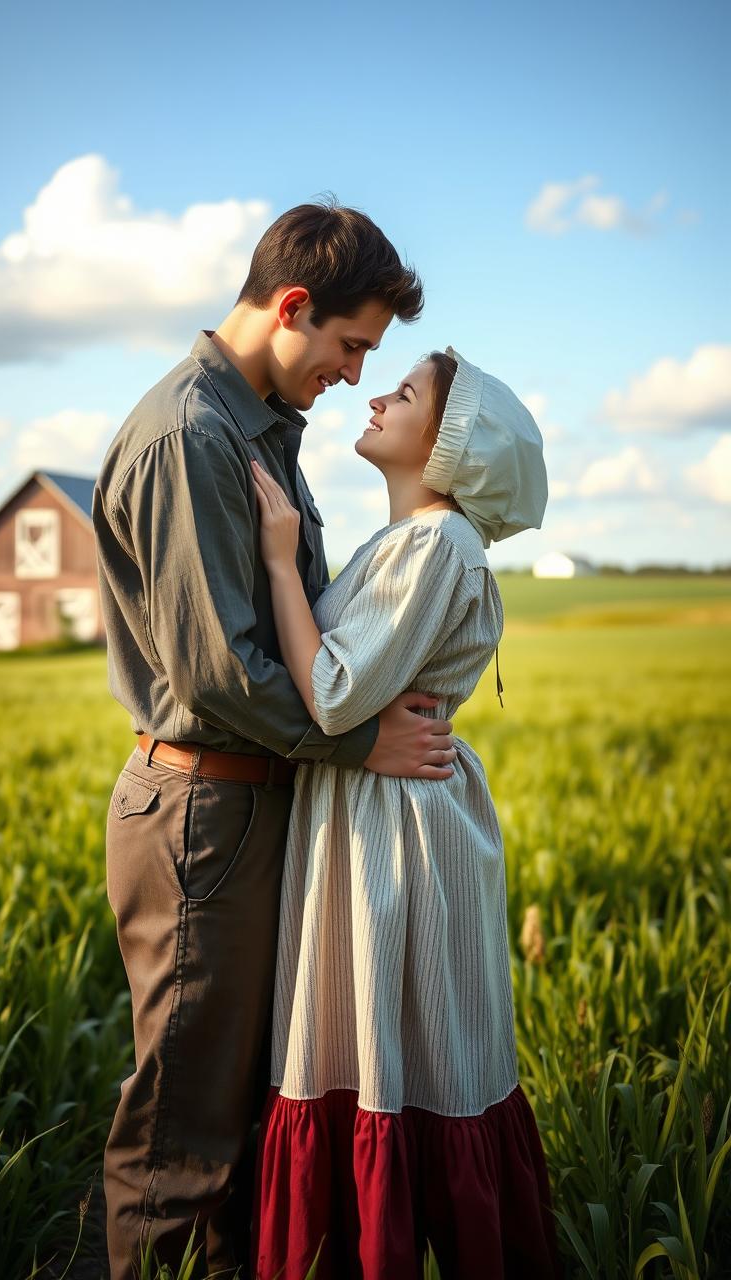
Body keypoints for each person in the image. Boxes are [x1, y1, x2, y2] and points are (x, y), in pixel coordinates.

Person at [91, 201, 461, 1279]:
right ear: (291, 307)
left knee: (245, 1120)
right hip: (203, 814)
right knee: (181, 1142)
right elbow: (216, 676)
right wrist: (361, 744)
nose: (354, 373)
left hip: (255, 803)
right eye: (350, 345)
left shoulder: (254, 425)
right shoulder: (190, 436)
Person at [250, 347, 562, 1279]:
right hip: (378, 806)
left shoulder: (433, 544)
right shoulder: (409, 543)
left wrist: (275, 563)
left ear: (450, 446)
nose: (377, 393)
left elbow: (338, 695)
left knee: (390, 1039)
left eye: (408, 393)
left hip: (394, 823)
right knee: (402, 1037)